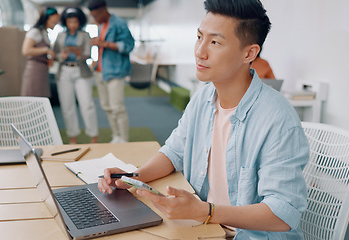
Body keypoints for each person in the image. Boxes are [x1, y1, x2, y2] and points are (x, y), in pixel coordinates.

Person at [98, 0, 310, 239]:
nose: (200, 51)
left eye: (215, 42)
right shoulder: (203, 98)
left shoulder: (277, 119)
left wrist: (205, 212)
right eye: (199, 37)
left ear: (249, 53)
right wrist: (133, 178)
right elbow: (174, 152)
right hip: (204, 228)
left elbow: (283, 214)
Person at [87, 0, 135, 143]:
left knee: (117, 107)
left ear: (103, 10)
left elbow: (129, 45)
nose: (95, 19)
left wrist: (104, 44)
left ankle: (124, 139)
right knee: (107, 107)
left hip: (115, 71)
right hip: (100, 70)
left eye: (96, 16)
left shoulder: (119, 23)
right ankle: (116, 136)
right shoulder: (101, 25)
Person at [53, 7, 99, 144]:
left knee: (87, 104)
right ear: (65, 22)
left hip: (81, 71)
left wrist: (79, 54)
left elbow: (88, 54)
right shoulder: (60, 36)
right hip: (64, 72)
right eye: (69, 21)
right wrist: (61, 55)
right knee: (67, 106)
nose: (72, 24)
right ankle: (73, 136)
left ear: (80, 22)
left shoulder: (84, 35)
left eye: (75, 21)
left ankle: (93, 136)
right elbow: (54, 54)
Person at [21, 7, 59, 97]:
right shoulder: (35, 32)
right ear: (45, 20)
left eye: (56, 23)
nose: (54, 25)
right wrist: (46, 50)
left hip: (43, 70)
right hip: (34, 70)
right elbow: (26, 51)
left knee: (42, 98)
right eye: (53, 22)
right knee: (33, 98)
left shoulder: (45, 33)